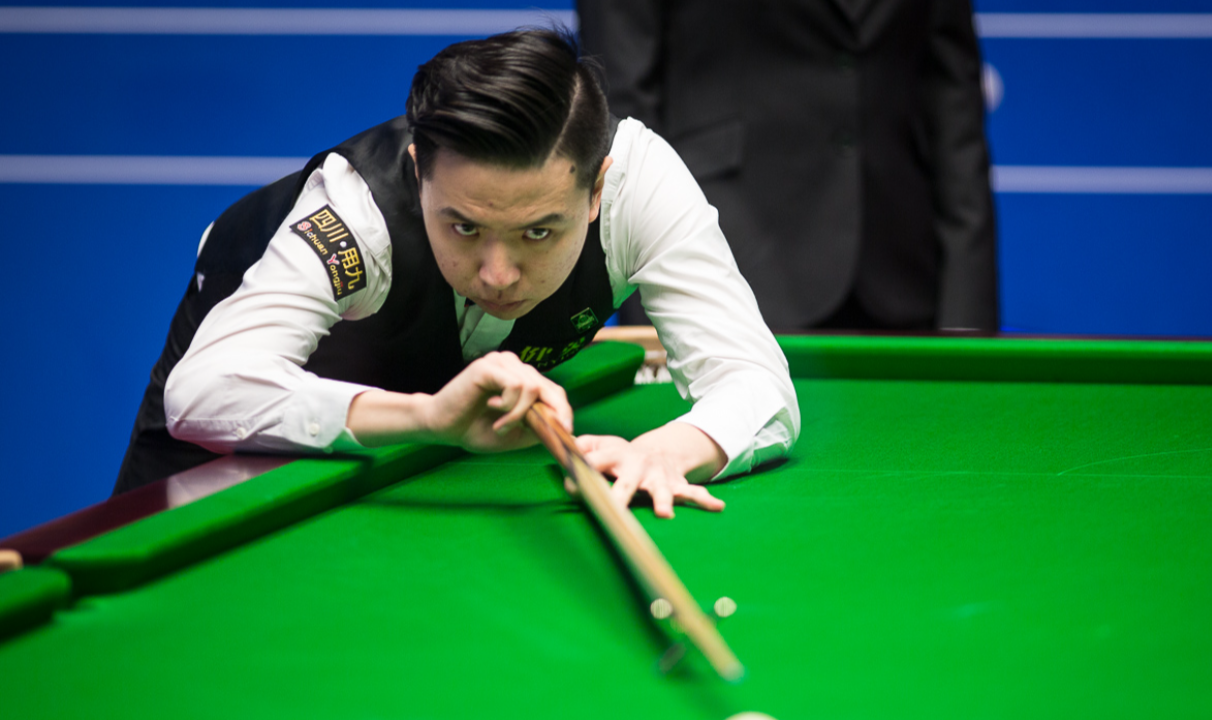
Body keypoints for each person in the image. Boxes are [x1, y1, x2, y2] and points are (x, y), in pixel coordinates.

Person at [114, 29, 799, 519]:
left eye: (538, 232)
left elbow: (754, 379)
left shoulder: (641, 186)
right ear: (419, 174)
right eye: (464, 227)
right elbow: (205, 392)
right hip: (267, 403)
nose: (498, 275)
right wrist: (428, 416)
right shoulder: (353, 215)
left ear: (596, 193)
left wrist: (671, 449)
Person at [577, 0, 999, 331]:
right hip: (726, 265)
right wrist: (648, 293)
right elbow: (622, 105)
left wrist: (967, 316)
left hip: (904, 275)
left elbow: (953, 100)